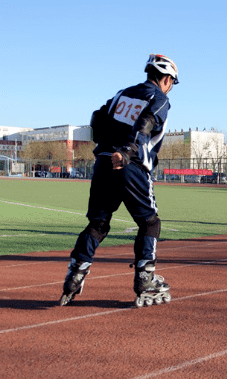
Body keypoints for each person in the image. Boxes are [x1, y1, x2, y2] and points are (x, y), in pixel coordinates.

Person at [59, 53, 179, 308]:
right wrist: (126, 151)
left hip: (103, 162)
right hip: (130, 164)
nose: (171, 88)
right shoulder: (159, 98)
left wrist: (106, 146)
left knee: (98, 224)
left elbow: (96, 117)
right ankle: (145, 279)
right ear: (166, 78)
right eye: (172, 82)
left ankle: (75, 273)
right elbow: (146, 124)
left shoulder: (121, 94)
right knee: (150, 222)